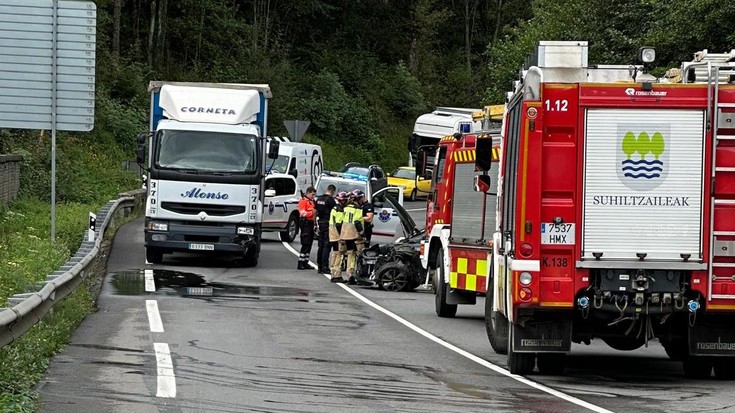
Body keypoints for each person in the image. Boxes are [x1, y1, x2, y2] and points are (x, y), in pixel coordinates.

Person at [340, 192, 364, 284]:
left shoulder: (345, 208)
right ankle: (355, 274)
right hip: (354, 234)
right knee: (358, 254)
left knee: (349, 254)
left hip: (345, 234)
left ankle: (349, 274)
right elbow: (357, 222)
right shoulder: (358, 209)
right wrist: (362, 234)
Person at [315, 184, 337, 274]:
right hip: (328, 223)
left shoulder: (319, 199)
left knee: (320, 245)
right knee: (327, 246)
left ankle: (319, 266)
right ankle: (325, 266)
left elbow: (315, 211)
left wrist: (315, 224)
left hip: (320, 223)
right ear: (332, 191)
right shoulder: (331, 201)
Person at [329, 191, 349, 282]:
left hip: (332, 234)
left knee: (335, 253)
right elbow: (339, 224)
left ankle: (333, 272)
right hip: (337, 235)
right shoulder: (340, 210)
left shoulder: (334, 208)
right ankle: (337, 275)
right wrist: (342, 235)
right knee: (339, 254)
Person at [297, 186, 317, 270]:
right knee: (305, 243)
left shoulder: (311, 202)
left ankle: (306, 261)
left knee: (309, 244)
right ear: (308, 193)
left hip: (311, 224)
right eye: (312, 194)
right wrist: (311, 213)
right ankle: (300, 262)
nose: (313, 196)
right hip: (305, 224)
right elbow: (302, 213)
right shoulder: (303, 201)